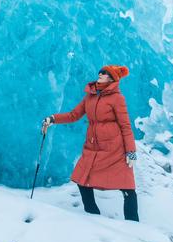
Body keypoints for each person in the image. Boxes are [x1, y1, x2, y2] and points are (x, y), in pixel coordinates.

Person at [42, 65, 139, 222]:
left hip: (114, 148)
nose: (100, 74)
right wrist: (53, 119)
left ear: (112, 78)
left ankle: (134, 225)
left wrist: (131, 151)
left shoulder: (117, 98)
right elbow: (74, 115)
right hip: (93, 146)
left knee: (127, 187)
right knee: (82, 180)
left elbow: (125, 126)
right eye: (100, 72)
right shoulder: (90, 96)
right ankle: (94, 218)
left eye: (105, 73)